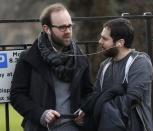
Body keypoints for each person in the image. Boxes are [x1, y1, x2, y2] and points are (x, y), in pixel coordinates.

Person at [10, 3, 93, 131]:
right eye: (62, 27)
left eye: (70, 26)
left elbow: (88, 93)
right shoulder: (29, 58)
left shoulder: (80, 58)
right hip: (40, 127)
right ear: (46, 29)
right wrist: (41, 114)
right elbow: (17, 96)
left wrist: (84, 111)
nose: (68, 31)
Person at [81, 18, 153, 131]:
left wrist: (99, 105)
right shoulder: (104, 66)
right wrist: (85, 111)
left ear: (120, 43)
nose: (100, 41)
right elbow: (96, 95)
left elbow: (131, 99)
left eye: (104, 38)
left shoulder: (139, 62)